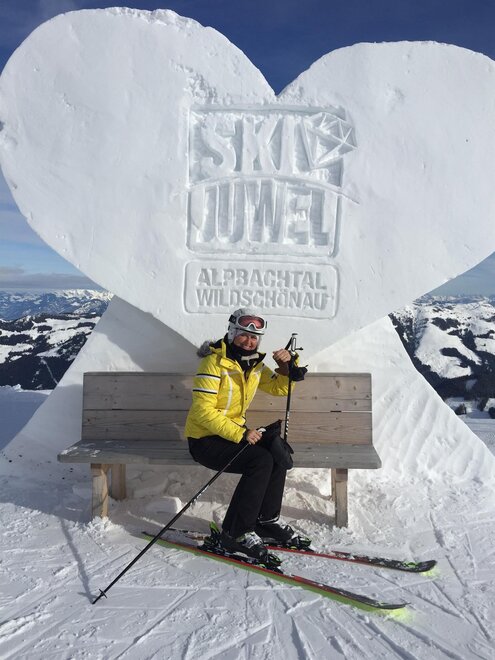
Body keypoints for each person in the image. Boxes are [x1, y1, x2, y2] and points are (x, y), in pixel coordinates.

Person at [185, 308, 298, 562]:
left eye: (254, 337)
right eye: (244, 334)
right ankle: (236, 532)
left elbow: (280, 388)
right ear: (232, 333)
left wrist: (286, 367)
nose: (249, 341)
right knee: (260, 461)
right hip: (204, 440)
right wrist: (240, 433)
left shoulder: (254, 365)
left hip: (232, 435)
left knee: (275, 452)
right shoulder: (213, 363)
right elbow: (202, 411)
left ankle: (266, 521)